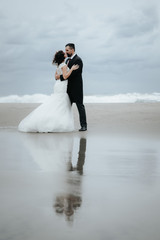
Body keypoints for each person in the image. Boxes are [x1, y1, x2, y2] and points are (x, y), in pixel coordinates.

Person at [18, 50, 79, 133]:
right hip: (62, 85)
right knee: (60, 102)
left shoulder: (59, 65)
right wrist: (71, 69)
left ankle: (53, 121)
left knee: (56, 102)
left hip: (57, 84)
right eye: (64, 53)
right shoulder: (64, 65)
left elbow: (56, 76)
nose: (66, 53)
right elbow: (65, 76)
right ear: (63, 56)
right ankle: (56, 123)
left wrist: (61, 75)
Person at [55, 43, 87, 131]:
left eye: (67, 50)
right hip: (67, 89)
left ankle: (84, 126)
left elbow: (73, 74)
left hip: (76, 88)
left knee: (80, 106)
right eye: (65, 50)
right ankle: (63, 125)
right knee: (65, 107)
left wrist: (60, 77)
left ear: (72, 50)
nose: (66, 52)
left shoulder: (78, 60)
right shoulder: (66, 61)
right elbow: (64, 73)